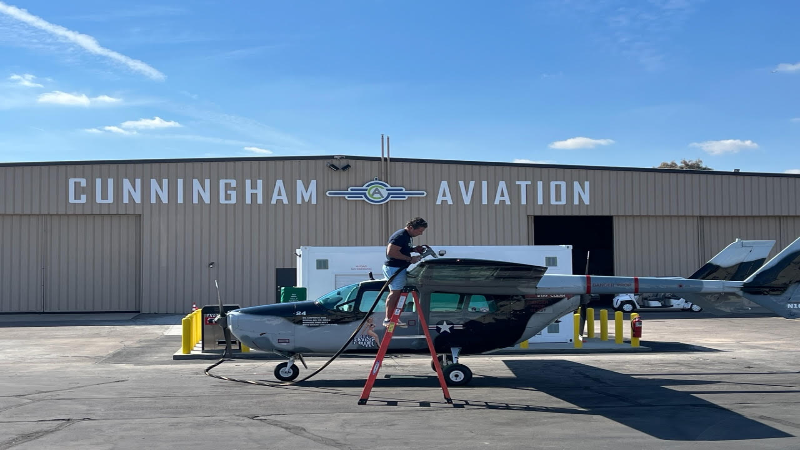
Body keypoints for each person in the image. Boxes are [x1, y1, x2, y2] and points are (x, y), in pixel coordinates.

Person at [382, 217, 428, 327]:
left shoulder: (406, 236)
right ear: (411, 227)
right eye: (419, 231)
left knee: (397, 292)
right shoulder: (400, 235)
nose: (420, 234)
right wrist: (409, 259)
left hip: (398, 268)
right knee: (395, 292)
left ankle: (393, 318)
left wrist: (414, 249)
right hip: (394, 268)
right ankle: (388, 319)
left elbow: (402, 249)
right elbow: (391, 252)